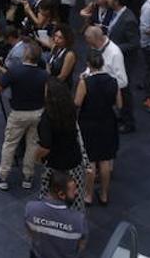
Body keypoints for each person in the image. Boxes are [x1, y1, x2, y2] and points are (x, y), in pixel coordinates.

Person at [0, 42, 48, 191]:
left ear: (26, 55)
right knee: (32, 145)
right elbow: (46, 95)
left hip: (19, 114)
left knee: (10, 144)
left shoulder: (16, 71)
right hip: (37, 113)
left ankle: (2, 176)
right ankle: (28, 176)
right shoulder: (44, 74)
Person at [75, 50, 120, 208]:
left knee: (91, 162)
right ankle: (104, 194)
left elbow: (77, 103)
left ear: (88, 64)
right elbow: (119, 104)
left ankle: (88, 195)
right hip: (107, 122)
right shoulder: (113, 81)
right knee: (105, 160)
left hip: (89, 124)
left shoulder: (85, 82)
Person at [35, 78, 86, 209]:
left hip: (56, 165)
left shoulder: (46, 119)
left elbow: (45, 147)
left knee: (50, 196)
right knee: (75, 195)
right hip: (74, 160)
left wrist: (36, 157)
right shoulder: (70, 109)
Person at [25, 171, 87, 258]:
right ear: (61, 194)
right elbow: (81, 245)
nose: (76, 193)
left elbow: (30, 234)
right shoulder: (79, 220)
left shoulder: (30, 208)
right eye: (73, 191)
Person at [102, 0, 138, 132]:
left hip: (125, 60)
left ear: (116, 1)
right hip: (115, 58)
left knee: (125, 91)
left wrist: (113, 47)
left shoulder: (129, 19)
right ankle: (121, 115)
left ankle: (129, 122)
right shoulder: (115, 14)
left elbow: (134, 43)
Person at [45, 25, 78, 90]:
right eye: (56, 36)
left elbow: (63, 76)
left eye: (60, 38)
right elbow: (50, 62)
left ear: (67, 39)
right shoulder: (55, 47)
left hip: (61, 86)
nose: (56, 39)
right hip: (51, 80)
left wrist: (49, 84)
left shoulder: (70, 54)